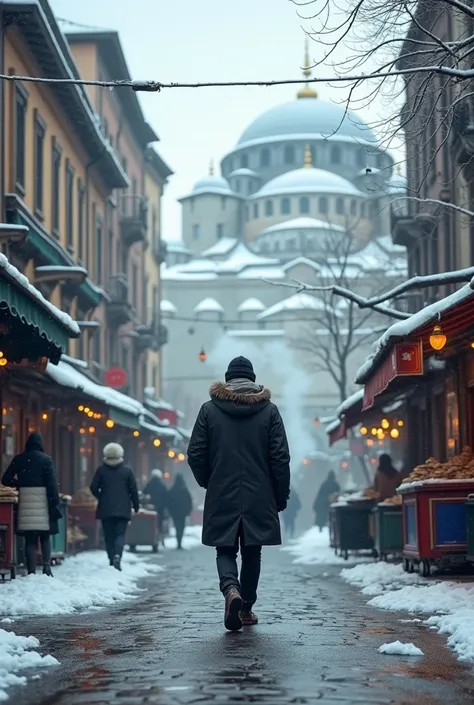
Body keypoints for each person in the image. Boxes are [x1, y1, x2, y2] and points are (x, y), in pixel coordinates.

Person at [188, 355, 290, 632]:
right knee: (252, 551)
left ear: (228, 380)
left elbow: (195, 453)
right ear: (253, 381)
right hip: (260, 493)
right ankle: (245, 608)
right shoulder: (269, 411)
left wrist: (209, 480)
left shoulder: (209, 410)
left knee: (225, 548)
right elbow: (280, 458)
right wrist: (280, 495)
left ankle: (231, 589)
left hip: (222, 490)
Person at [2, 432, 60, 577]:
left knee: (30, 539)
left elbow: (5, 479)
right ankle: (46, 566)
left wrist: (19, 484)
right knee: (45, 536)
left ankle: (31, 571)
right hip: (42, 502)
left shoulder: (19, 459)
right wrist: (54, 503)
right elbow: (52, 485)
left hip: (26, 503)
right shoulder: (46, 460)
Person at [90, 442, 139, 571]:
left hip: (106, 508)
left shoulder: (101, 470)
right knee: (120, 534)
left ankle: (111, 558)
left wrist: (101, 497)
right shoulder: (127, 471)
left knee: (108, 535)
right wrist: (136, 505)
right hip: (123, 508)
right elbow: (133, 490)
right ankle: (118, 555)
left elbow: (93, 487)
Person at [166, 473, 193, 550]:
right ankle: (180, 541)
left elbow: (168, 501)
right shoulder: (185, 490)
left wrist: (170, 510)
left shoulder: (173, 490)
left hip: (175, 513)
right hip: (183, 513)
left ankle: (178, 541)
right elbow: (189, 501)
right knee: (181, 527)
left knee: (177, 527)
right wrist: (188, 510)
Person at [143, 469, 168, 547]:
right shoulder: (162, 485)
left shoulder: (149, 484)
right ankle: (160, 539)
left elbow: (144, 492)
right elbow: (166, 497)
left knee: (150, 524)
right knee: (160, 525)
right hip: (160, 508)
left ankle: (151, 538)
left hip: (150, 508)